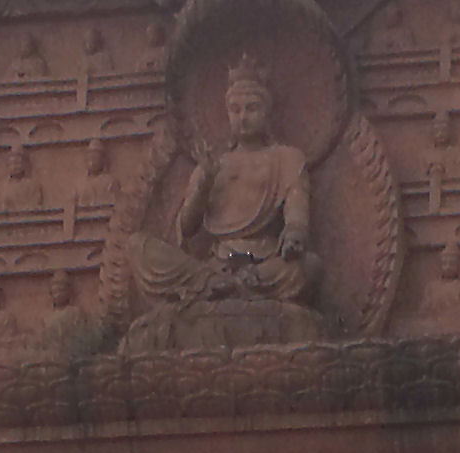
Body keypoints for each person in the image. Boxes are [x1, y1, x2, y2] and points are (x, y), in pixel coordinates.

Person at [129, 61, 320, 343]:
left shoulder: (287, 159)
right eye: (235, 110)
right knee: (138, 246)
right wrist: (204, 182)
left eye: (252, 109)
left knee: (309, 267)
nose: (243, 117)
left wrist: (294, 235)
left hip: (265, 262)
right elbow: (188, 226)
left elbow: (297, 211)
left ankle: (227, 288)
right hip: (216, 263)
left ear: (267, 112)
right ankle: (216, 284)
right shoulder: (213, 164)